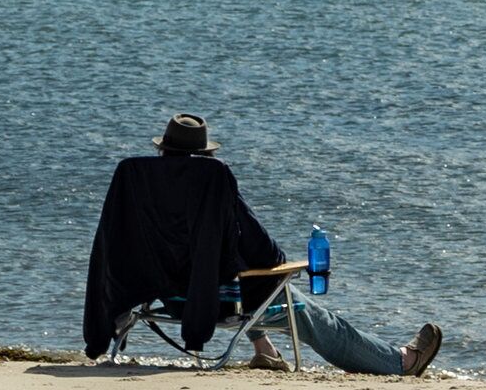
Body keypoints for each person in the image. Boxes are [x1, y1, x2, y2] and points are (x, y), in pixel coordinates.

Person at [79, 115, 443, 375]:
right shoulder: (213, 183)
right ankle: (399, 362)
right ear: (206, 156)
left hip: (167, 299)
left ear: (163, 153)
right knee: (307, 312)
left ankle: (264, 350)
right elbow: (267, 255)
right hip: (216, 305)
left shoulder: (139, 187)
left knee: (231, 268)